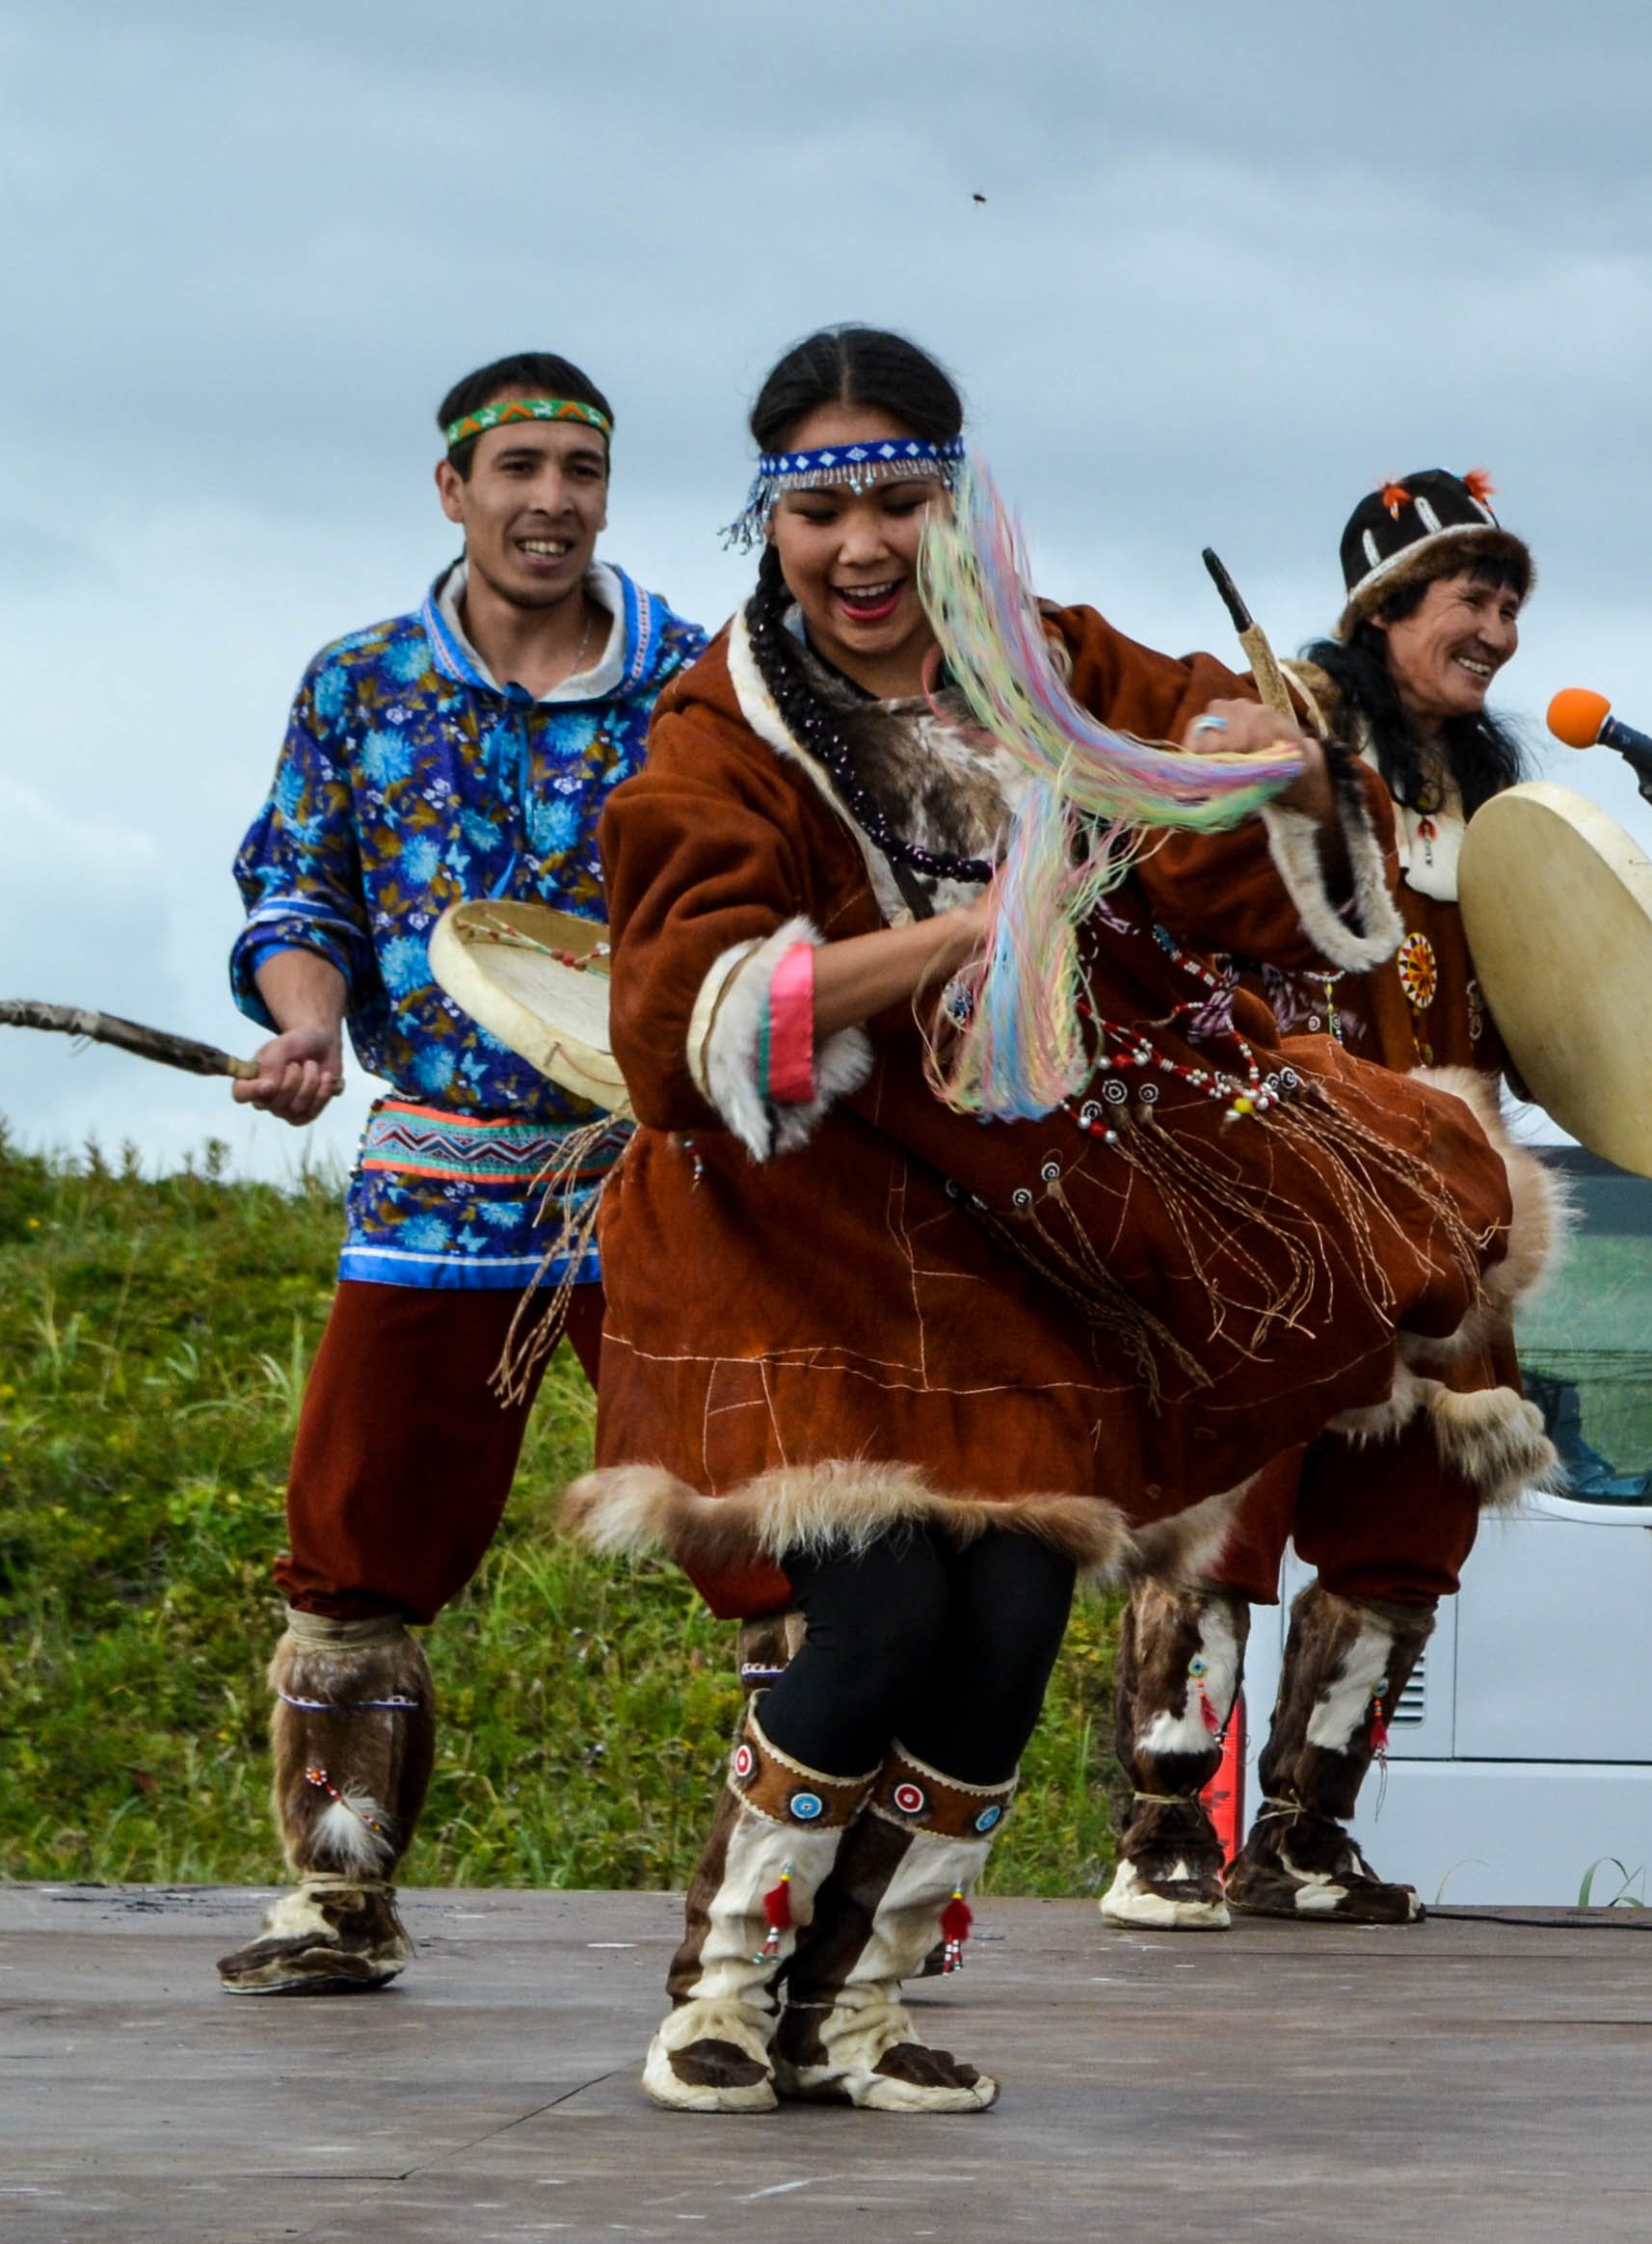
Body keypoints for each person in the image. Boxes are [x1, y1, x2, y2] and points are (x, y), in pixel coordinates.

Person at [575, 329, 1553, 2115]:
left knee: (1013, 1606)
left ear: (953, 506)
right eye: (825, 512)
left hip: (1015, 1211)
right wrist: (958, 939)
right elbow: (682, 1014)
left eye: (900, 501)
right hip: (793, 1213)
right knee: (873, 1618)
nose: (865, 547)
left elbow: (1208, 797)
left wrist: (1264, 753)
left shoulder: (1054, 663)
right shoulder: (720, 731)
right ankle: (727, 1983)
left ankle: (857, 2008)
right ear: (766, 523)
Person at [212, 354, 709, 1996]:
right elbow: (299, 898)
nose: (551, 498)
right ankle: (339, 1897)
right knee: (355, 1535)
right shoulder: (359, 683)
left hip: (662, 1169)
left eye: (580, 468)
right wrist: (304, 1028)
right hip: (440, 1171)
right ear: (455, 488)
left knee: (770, 1520)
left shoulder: (697, 683)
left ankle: (785, 1909)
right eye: (519, 468)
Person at [1101, 468, 1559, 1932]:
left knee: (1410, 1526)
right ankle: (1165, 1828)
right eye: (1468, 595)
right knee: (1224, 1510)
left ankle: (1302, 1829)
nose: (1492, 626)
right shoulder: (1290, 721)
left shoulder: (1496, 791)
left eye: (1507, 601)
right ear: (1385, 608)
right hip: (1285, 1164)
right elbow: (1176, 891)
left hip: (1450, 1187)